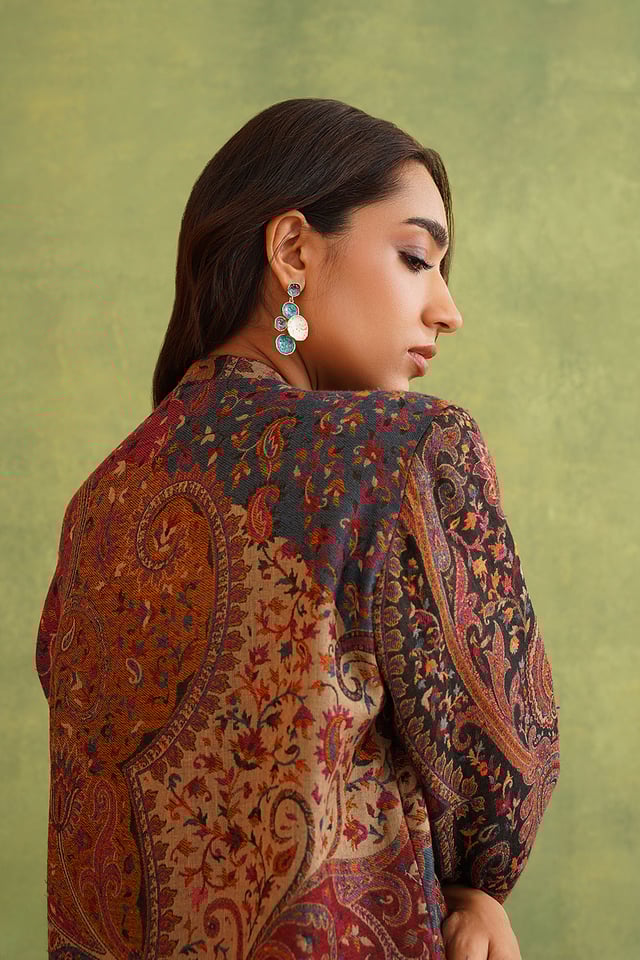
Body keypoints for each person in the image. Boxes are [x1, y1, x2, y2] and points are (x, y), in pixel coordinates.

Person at [36, 98, 559, 960]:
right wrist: (476, 881)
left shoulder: (100, 503)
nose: (447, 309)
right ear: (291, 250)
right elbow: (503, 758)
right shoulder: (402, 453)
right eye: (416, 258)